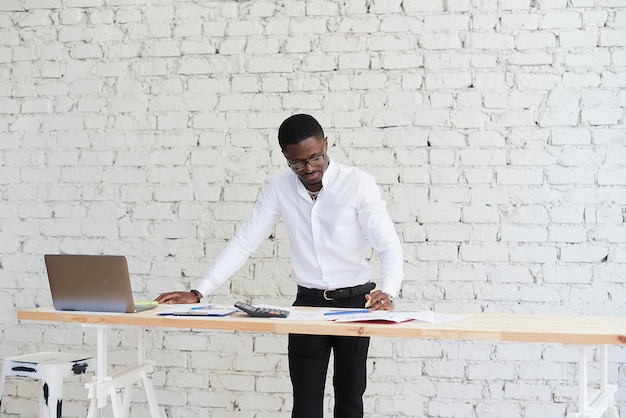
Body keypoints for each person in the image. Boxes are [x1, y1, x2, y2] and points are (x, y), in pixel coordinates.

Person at [156, 114, 404, 418]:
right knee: (305, 404)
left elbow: (388, 246)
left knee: (350, 400)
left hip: (355, 303)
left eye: (316, 157)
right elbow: (244, 242)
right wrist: (199, 291)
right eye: (298, 164)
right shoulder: (278, 189)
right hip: (307, 305)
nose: (309, 169)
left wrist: (388, 291)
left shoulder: (358, 184)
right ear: (286, 158)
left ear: (326, 144)